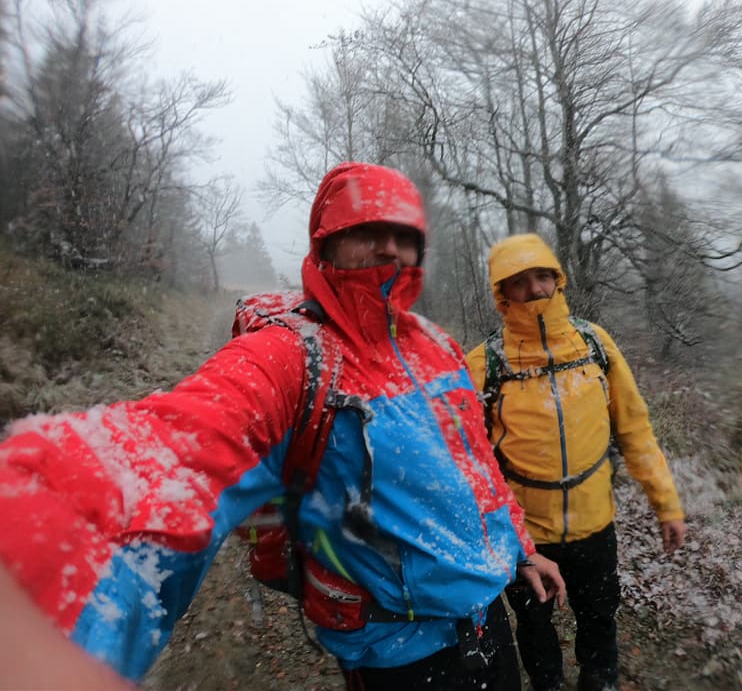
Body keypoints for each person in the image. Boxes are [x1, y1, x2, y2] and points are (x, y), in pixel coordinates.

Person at [0, 163, 565, 691]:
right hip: (398, 653)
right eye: (367, 228)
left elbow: (476, 469)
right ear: (326, 244)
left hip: (487, 623)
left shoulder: (436, 347)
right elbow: (167, 456)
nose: (389, 246)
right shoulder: (290, 355)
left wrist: (522, 547)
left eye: (403, 233)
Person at [465, 233, 686, 691]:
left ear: (558, 279)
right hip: (527, 537)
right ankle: (547, 684)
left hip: (595, 525)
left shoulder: (593, 345)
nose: (536, 288)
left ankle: (599, 681)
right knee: (535, 629)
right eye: (520, 281)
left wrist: (666, 504)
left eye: (543, 275)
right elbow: (469, 463)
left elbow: (634, 429)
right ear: (502, 294)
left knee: (600, 619)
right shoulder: (484, 364)